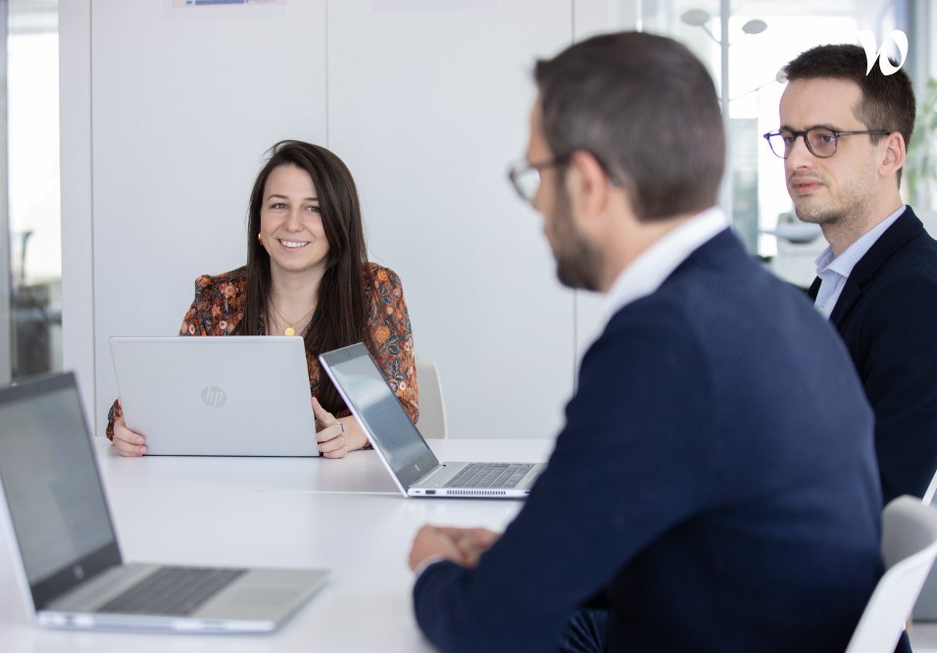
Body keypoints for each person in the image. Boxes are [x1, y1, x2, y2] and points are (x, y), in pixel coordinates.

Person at [408, 32, 883, 653]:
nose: (537, 207)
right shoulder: (771, 307)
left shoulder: (668, 342)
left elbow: (486, 626)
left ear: (586, 181)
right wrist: (536, 558)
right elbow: (708, 534)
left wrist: (432, 568)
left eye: (537, 176)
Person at [107, 140, 418, 457]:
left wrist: (349, 432)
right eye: (279, 205)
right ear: (259, 220)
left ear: (339, 222)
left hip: (343, 490)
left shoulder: (374, 290)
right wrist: (124, 427)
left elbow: (402, 409)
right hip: (233, 489)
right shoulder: (219, 298)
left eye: (314, 208)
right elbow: (158, 398)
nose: (293, 224)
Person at [766, 44, 937, 504]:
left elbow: (878, 497)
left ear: (890, 153)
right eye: (788, 138)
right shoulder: (842, 279)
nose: (796, 160)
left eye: (825, 138)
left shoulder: (916, 295)